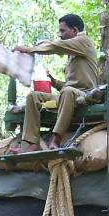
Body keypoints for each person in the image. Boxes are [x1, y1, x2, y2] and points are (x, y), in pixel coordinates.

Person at [8, 14, 99, 153]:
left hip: (84, 96)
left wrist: (29, 49)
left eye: (63, 31)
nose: (60, 35)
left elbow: (56, 46)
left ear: (75, 30)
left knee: (68, 92)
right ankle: (31, 144)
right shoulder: (73, 52)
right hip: (69, 95)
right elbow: (72, 84)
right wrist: (54, 82)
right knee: (34, 96)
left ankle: (56, 139)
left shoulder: (84, 41)